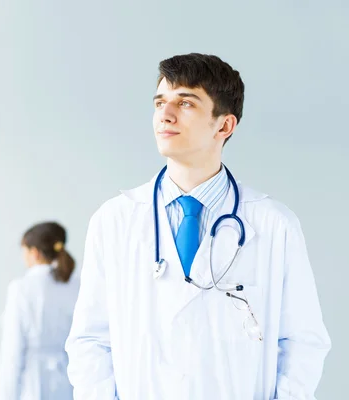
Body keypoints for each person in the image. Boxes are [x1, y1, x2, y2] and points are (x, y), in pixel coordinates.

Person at [65, 53, 331, 399]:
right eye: (160, 103)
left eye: (185, 103)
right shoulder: (114, 220)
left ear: (224, 125)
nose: (165, 114)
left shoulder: (273, 225)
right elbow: (89, 341)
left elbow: (303, 342)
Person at [0, 222, 80, 400]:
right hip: (71, 380)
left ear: (34, 253)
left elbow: (12, 353)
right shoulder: (76, 285)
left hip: (34, 384)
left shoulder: (22, 288)